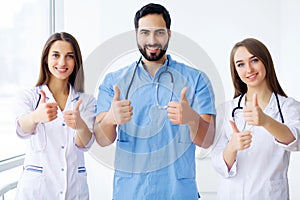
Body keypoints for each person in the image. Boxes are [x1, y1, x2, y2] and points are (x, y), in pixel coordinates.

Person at [94, 3, 216, 199]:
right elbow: (102, 140)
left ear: (169, 34)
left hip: (178, 192)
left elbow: (208, 140)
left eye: (159, 32)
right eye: (144, 33)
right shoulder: (114, 82)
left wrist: (192, 119)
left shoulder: (196, 80)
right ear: (136, 35)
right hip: (131, 193)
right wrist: (109, 119)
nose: (152, 40)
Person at [211, 38, 300, 199]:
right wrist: (232, 147)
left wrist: (266, 121)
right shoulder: (226, 109)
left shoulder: (288, 107)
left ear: (265, 61)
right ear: (236, 71)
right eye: (240, 64)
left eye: (254, 60)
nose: (249, 69)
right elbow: (218, 163)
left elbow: (297, 141)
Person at [14, 32, 95, 200]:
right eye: (56, 55)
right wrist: (35, 117)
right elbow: (21, 129)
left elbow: (85, 144)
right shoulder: (30, 96)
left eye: (69, 56)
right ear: (46, 59)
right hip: (37, 191)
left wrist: (80, 125)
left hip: (74, 189)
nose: (62, 63)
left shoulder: (86, 101)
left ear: (76, 61)